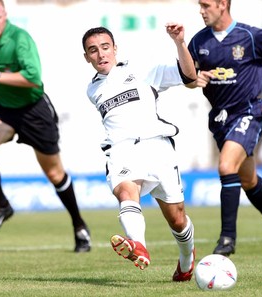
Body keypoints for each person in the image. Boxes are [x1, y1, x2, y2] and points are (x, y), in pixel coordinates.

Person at [0, 0, 91, 252]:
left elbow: (33, 78)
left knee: (55, 174)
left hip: (33, 110)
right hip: (3, 107)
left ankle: (79, 226)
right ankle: (2, 206)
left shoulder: (20, 39)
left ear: (5, 15)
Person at [82, 25, 196, 281]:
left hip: (157, 147)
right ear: (86, 57)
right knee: (126, 191)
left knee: (177, 220)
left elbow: (189, 75)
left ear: (115, 49)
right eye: (93, 50)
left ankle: (186, 262)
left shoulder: (142, 69)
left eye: (104, 47)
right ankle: (139, 245)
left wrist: (180, 42)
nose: (100, 54)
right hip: (121, 150)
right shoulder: (93, 90)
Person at [186, 0, 262, 256]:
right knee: (246, 179)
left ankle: (227, 239)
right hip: (220, 119)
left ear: (223, 5)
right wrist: (194, 80)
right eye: (200, 5)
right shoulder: (199, 42)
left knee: (225, 166)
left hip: (249, 112)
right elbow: (189, 78)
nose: (201, 10)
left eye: (206, 5)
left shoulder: (251, 36)